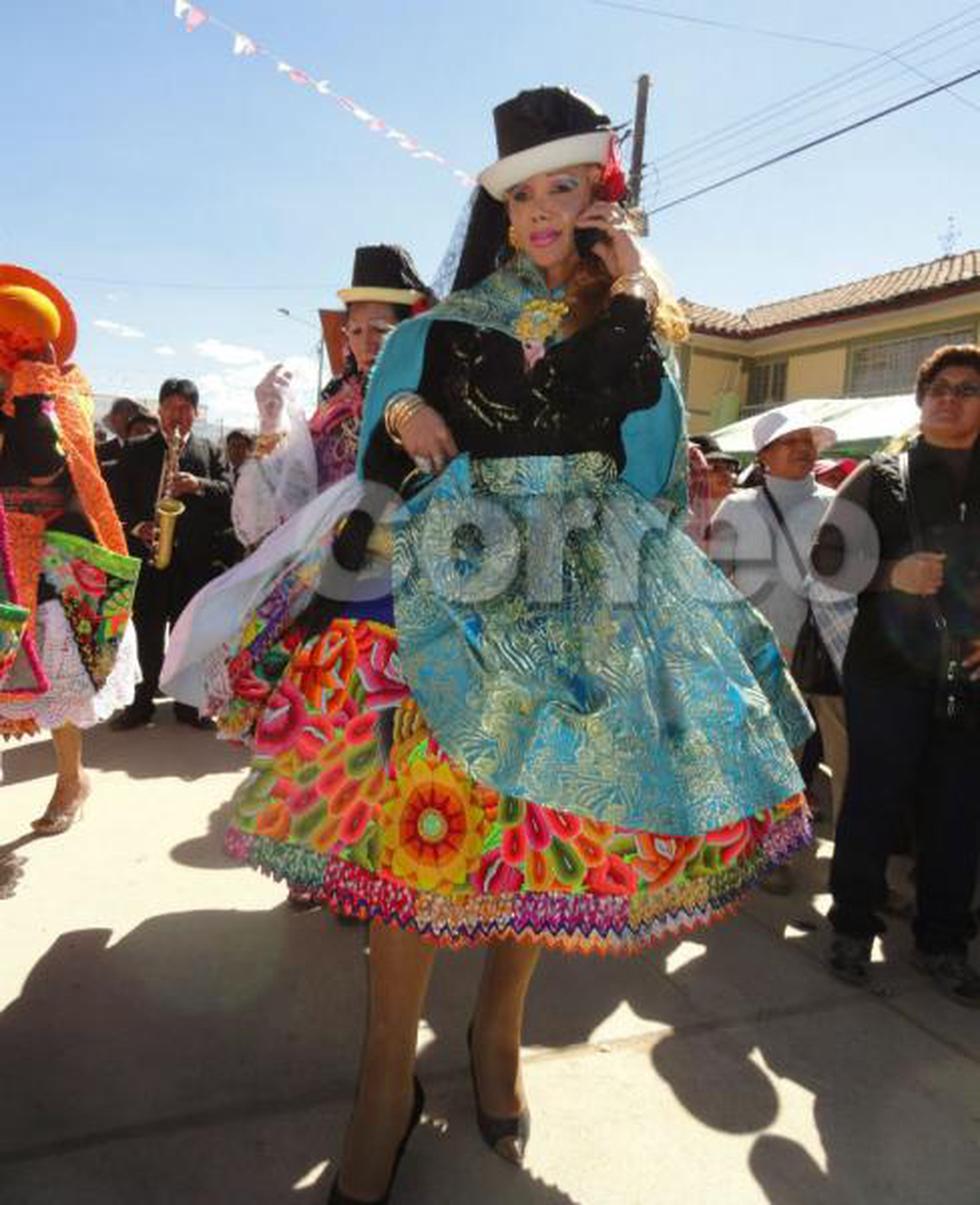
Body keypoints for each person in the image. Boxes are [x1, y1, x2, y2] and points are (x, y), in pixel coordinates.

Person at [173, 87, 812, 1203]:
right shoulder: (428, 329)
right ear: (500, 209)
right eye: (523, 193)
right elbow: (375, 470)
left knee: (536, 824)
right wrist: (402, 427)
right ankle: (385, 1080)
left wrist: (631, 311)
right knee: (422, 839)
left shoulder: (635, 328)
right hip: (442, 597)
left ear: (602, 202)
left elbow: (655, 478)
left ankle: (497, 1031)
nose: (542, 210)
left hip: (583, 593)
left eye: (566, 187)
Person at [814, 344, 980, 1005]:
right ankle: (851, 925)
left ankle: (943, 941)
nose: (949, 397)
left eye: (967, 388)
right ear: (920, 399)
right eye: (938, 387)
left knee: (958, 811)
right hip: (886, 671)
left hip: (968, 676)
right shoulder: (881, 476)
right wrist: (890, 575)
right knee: (873, 799)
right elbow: (827, 559)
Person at [0, 265, 141, 832]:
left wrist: (31, 393)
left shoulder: (61, 396)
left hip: (46, 567)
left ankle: (70, 778)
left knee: (54, 682)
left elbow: (42, 470)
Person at [231, 245, 430, 550]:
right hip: (326, 559)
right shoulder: (333, 407)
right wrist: (271, 424)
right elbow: (293, 494)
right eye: (356, 330)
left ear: (406, 331)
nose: (367, 344)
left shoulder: (427, 401)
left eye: (380, 329)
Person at [711, 409, 851, 836]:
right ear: (764, 454)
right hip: (761, 652)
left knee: (845, 755)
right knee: (777, 754)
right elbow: (714, 582)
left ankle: (852, 857)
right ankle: (770, 847)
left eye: (807, 441)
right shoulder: (736, 507)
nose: (803, 449)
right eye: (790, 442)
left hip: (831, 652)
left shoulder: (839, 506)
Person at [111, 377, 230, 729]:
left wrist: (199, 485)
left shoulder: (210, 451)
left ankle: (187, 705)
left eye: (185, 408)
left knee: (188, 635)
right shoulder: (135, 451)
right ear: (160, 410)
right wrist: (138, 527)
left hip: (194, 561)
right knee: (147, 631)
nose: (177, 415)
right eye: (171, 407)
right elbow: (116, 499)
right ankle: (142, 701)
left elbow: (230, 494)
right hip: (150, 557)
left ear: (195, 413)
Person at [96, 396, 139, 488]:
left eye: (131, 412)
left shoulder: (147, 450)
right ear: (113, 420)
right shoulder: (100, 451)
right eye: (122, 412)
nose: (128, 418)